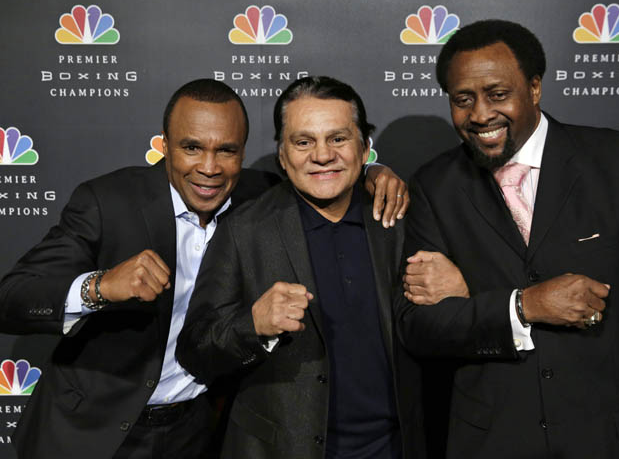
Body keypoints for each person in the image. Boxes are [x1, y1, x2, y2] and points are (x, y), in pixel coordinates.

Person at [0, 78, 408, 459]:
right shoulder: (108, 203)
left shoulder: (260, 195)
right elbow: (12, 298)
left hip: (196, 432)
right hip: (91, 430)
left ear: (245, 153)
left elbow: (323, 170)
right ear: (164, 147)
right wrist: (100, 287)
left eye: (227, 151)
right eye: (192, 148)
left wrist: (374, 173)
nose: (209, 168)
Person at [398, 20, 619, 458]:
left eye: (497, 94)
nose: (480, 114)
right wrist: (521, 306)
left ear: (535, 88)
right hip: (492, 441)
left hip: (614, 440)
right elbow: (419, 327)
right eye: (463, 100)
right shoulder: (434, 186)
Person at [176, 76, 425, 459]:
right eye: (303, 141)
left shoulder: (400, 219)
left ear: (365, 148)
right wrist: (252, 326)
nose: (322, 155)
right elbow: (195, 349)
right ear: (282, 155)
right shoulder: (245, 231)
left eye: (338, 139)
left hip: (396, 447)